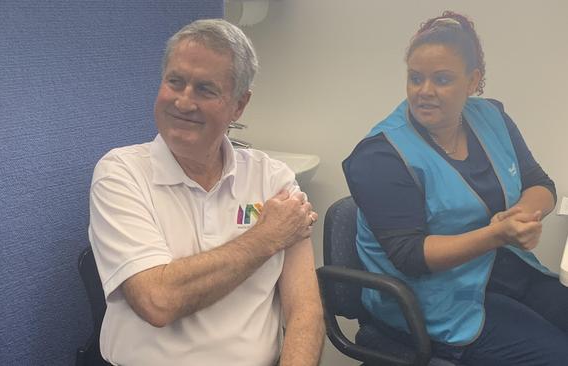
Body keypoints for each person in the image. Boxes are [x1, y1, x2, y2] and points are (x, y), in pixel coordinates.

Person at [88, 19, 324, 366]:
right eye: (175, 82)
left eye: (205, 89)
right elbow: (158, 300)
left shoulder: (273, 179)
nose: (183, 102)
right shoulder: (121, 173)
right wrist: (265, 237)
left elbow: (305, 311)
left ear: (239, 105)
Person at [343, 11, 568, 366]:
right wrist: (497, 234)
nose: (425, 92)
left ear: (472, 80)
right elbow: (411, 256)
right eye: (415, 79)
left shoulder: (491, 118)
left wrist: (522, 216)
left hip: (500, 271)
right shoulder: (380, 156)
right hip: (431, 300)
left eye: (442, 79)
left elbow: (539, 184)